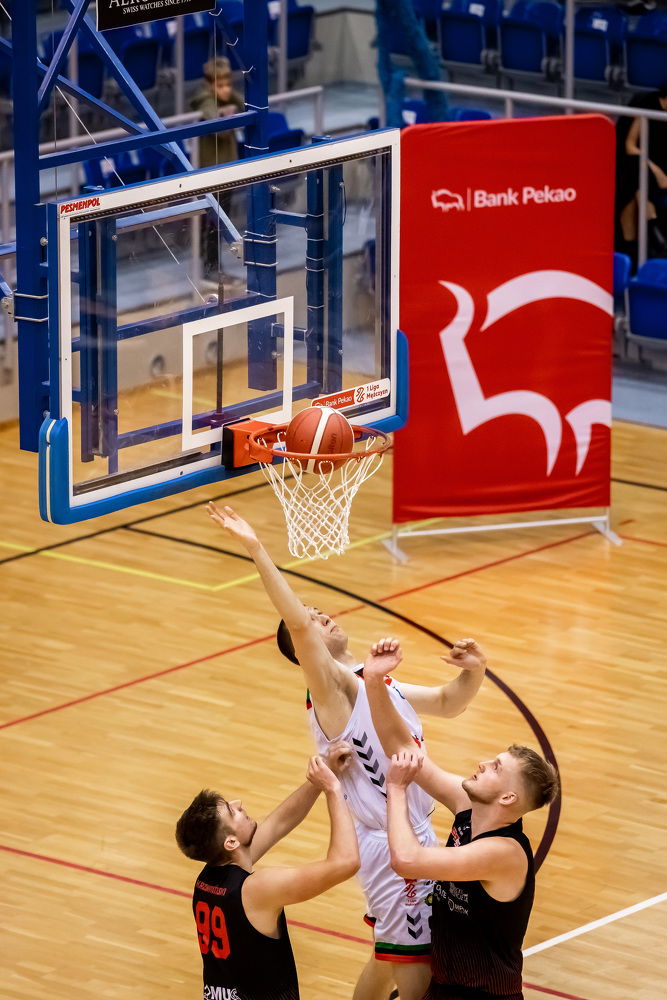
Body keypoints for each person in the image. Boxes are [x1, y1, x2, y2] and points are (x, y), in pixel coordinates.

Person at [206, 501, 488, 1000]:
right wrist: (255, 546)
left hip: (411, 831)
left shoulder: (371, 682)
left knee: (389, 957)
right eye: (313, 621)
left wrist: (475, 670)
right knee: (415, 967)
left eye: (320, 612)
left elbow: (449, 702)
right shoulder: (331, 693)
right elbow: (296, 623)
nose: (321, 617)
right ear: (305, 653)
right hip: (389, 841)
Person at [362, 637, 560, 1000]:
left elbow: (407, 860)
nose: (484, 763)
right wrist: (373, 681)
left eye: (496, 767)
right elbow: (404, 749)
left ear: (508, 798)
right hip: (445, 988)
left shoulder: (503, 853)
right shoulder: (468, 806)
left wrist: (397, 789)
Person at [175, 754, 360, 1000]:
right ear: (231, 842)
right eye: (232, 811)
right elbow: (346, 862)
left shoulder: (207, 879)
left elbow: (279, 822)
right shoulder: (256, 891)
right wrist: (333, 789)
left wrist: (321, 777)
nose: (239, 803)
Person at [190, 57, 244, 278]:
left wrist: (231, 102)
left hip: (226, 172)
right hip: (211, 174)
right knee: (212, 225)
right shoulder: (205, 102)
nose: (226, 90)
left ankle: (216, 266)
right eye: (220, 86)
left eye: (229, 85)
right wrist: (229, 114)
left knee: (221, 224)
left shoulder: (226, 100)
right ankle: (210, 268)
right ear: (209, 85)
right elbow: (219, 129)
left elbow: (244, 104)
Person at [615, 85, 667, 267]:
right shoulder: (647, 103)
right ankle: (649, 215)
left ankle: (630, 255)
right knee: (635, 170)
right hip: (642, 165)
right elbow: (630, 145)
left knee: (633, 181)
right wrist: (654, 169)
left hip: (653, 173)